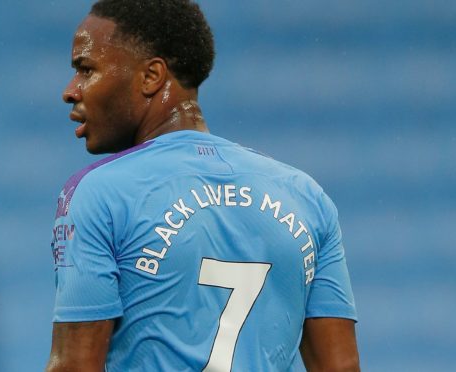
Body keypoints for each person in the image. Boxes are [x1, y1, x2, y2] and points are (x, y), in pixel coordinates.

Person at [46, 0, 360, 371]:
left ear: (151, 77)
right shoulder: (305, 196)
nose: (71, 90)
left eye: (86, 69)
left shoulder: (98, 194)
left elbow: (75, 366)